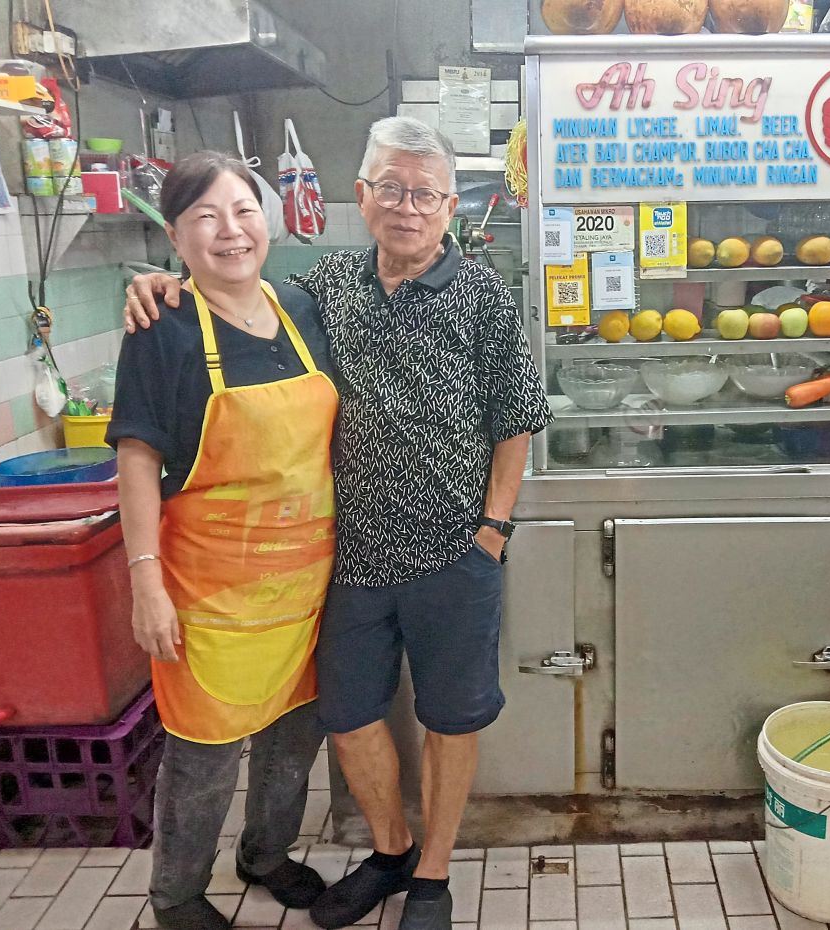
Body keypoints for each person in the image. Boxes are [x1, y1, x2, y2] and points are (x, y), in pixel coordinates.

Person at [124, 117, 553, 930]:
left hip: (453, 555)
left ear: (449, 207)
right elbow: (232, 293)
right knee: (349, 718)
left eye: (425, 193)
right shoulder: (322, 289)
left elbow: (517, 422)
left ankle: (431, 874)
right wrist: (160, 282)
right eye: (389, 188)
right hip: (346, 563)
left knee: (449, 720)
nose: (407, 207)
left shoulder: (484, 298)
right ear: (361, 196)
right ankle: (389, 851)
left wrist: (491, 532)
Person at [110, 151, 339, 930]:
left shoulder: (303, 307)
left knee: (292, 734)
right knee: (204, 753)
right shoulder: (162, 326)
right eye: (205, 217)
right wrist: (147, 584)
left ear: (265, 219)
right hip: (209, 591)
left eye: (243, 210)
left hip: (307, 585)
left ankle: (266, 855)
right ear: (176, 236)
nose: (230, 231)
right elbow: (137, 456)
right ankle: (176, 894)